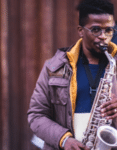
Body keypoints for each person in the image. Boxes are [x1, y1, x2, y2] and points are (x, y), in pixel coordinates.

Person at [27, 0, 117, 149]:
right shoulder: (54, 67)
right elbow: (36, 116)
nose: (103, 36)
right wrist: (63, 139)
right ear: (80, 30)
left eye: (109, 30)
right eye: (96, 30)